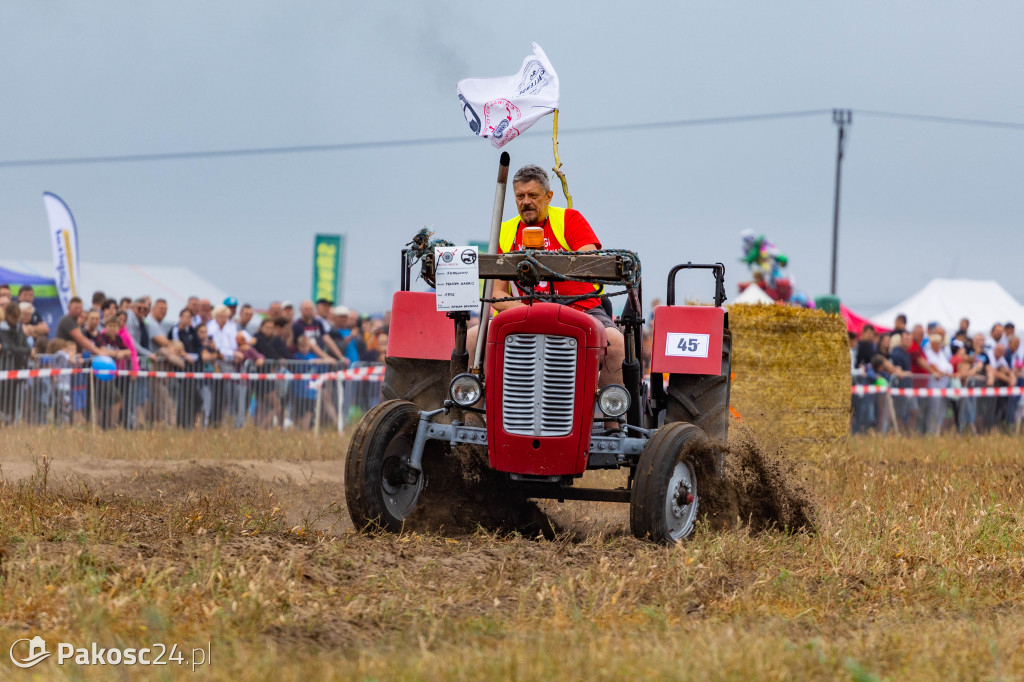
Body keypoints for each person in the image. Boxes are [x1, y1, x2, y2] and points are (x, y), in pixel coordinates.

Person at [465, 164, 625, 388]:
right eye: (520, 196)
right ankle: (472, 415)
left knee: (615, 342)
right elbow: (497, 292)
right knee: (473, 338)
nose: (526, 202)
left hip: (581, 310)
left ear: (549, 196)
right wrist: (533, 312)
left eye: (533, 195)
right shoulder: (505, 231)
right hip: (525, 312)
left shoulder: (569, 220)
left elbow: (590, 262)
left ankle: (613, 419)